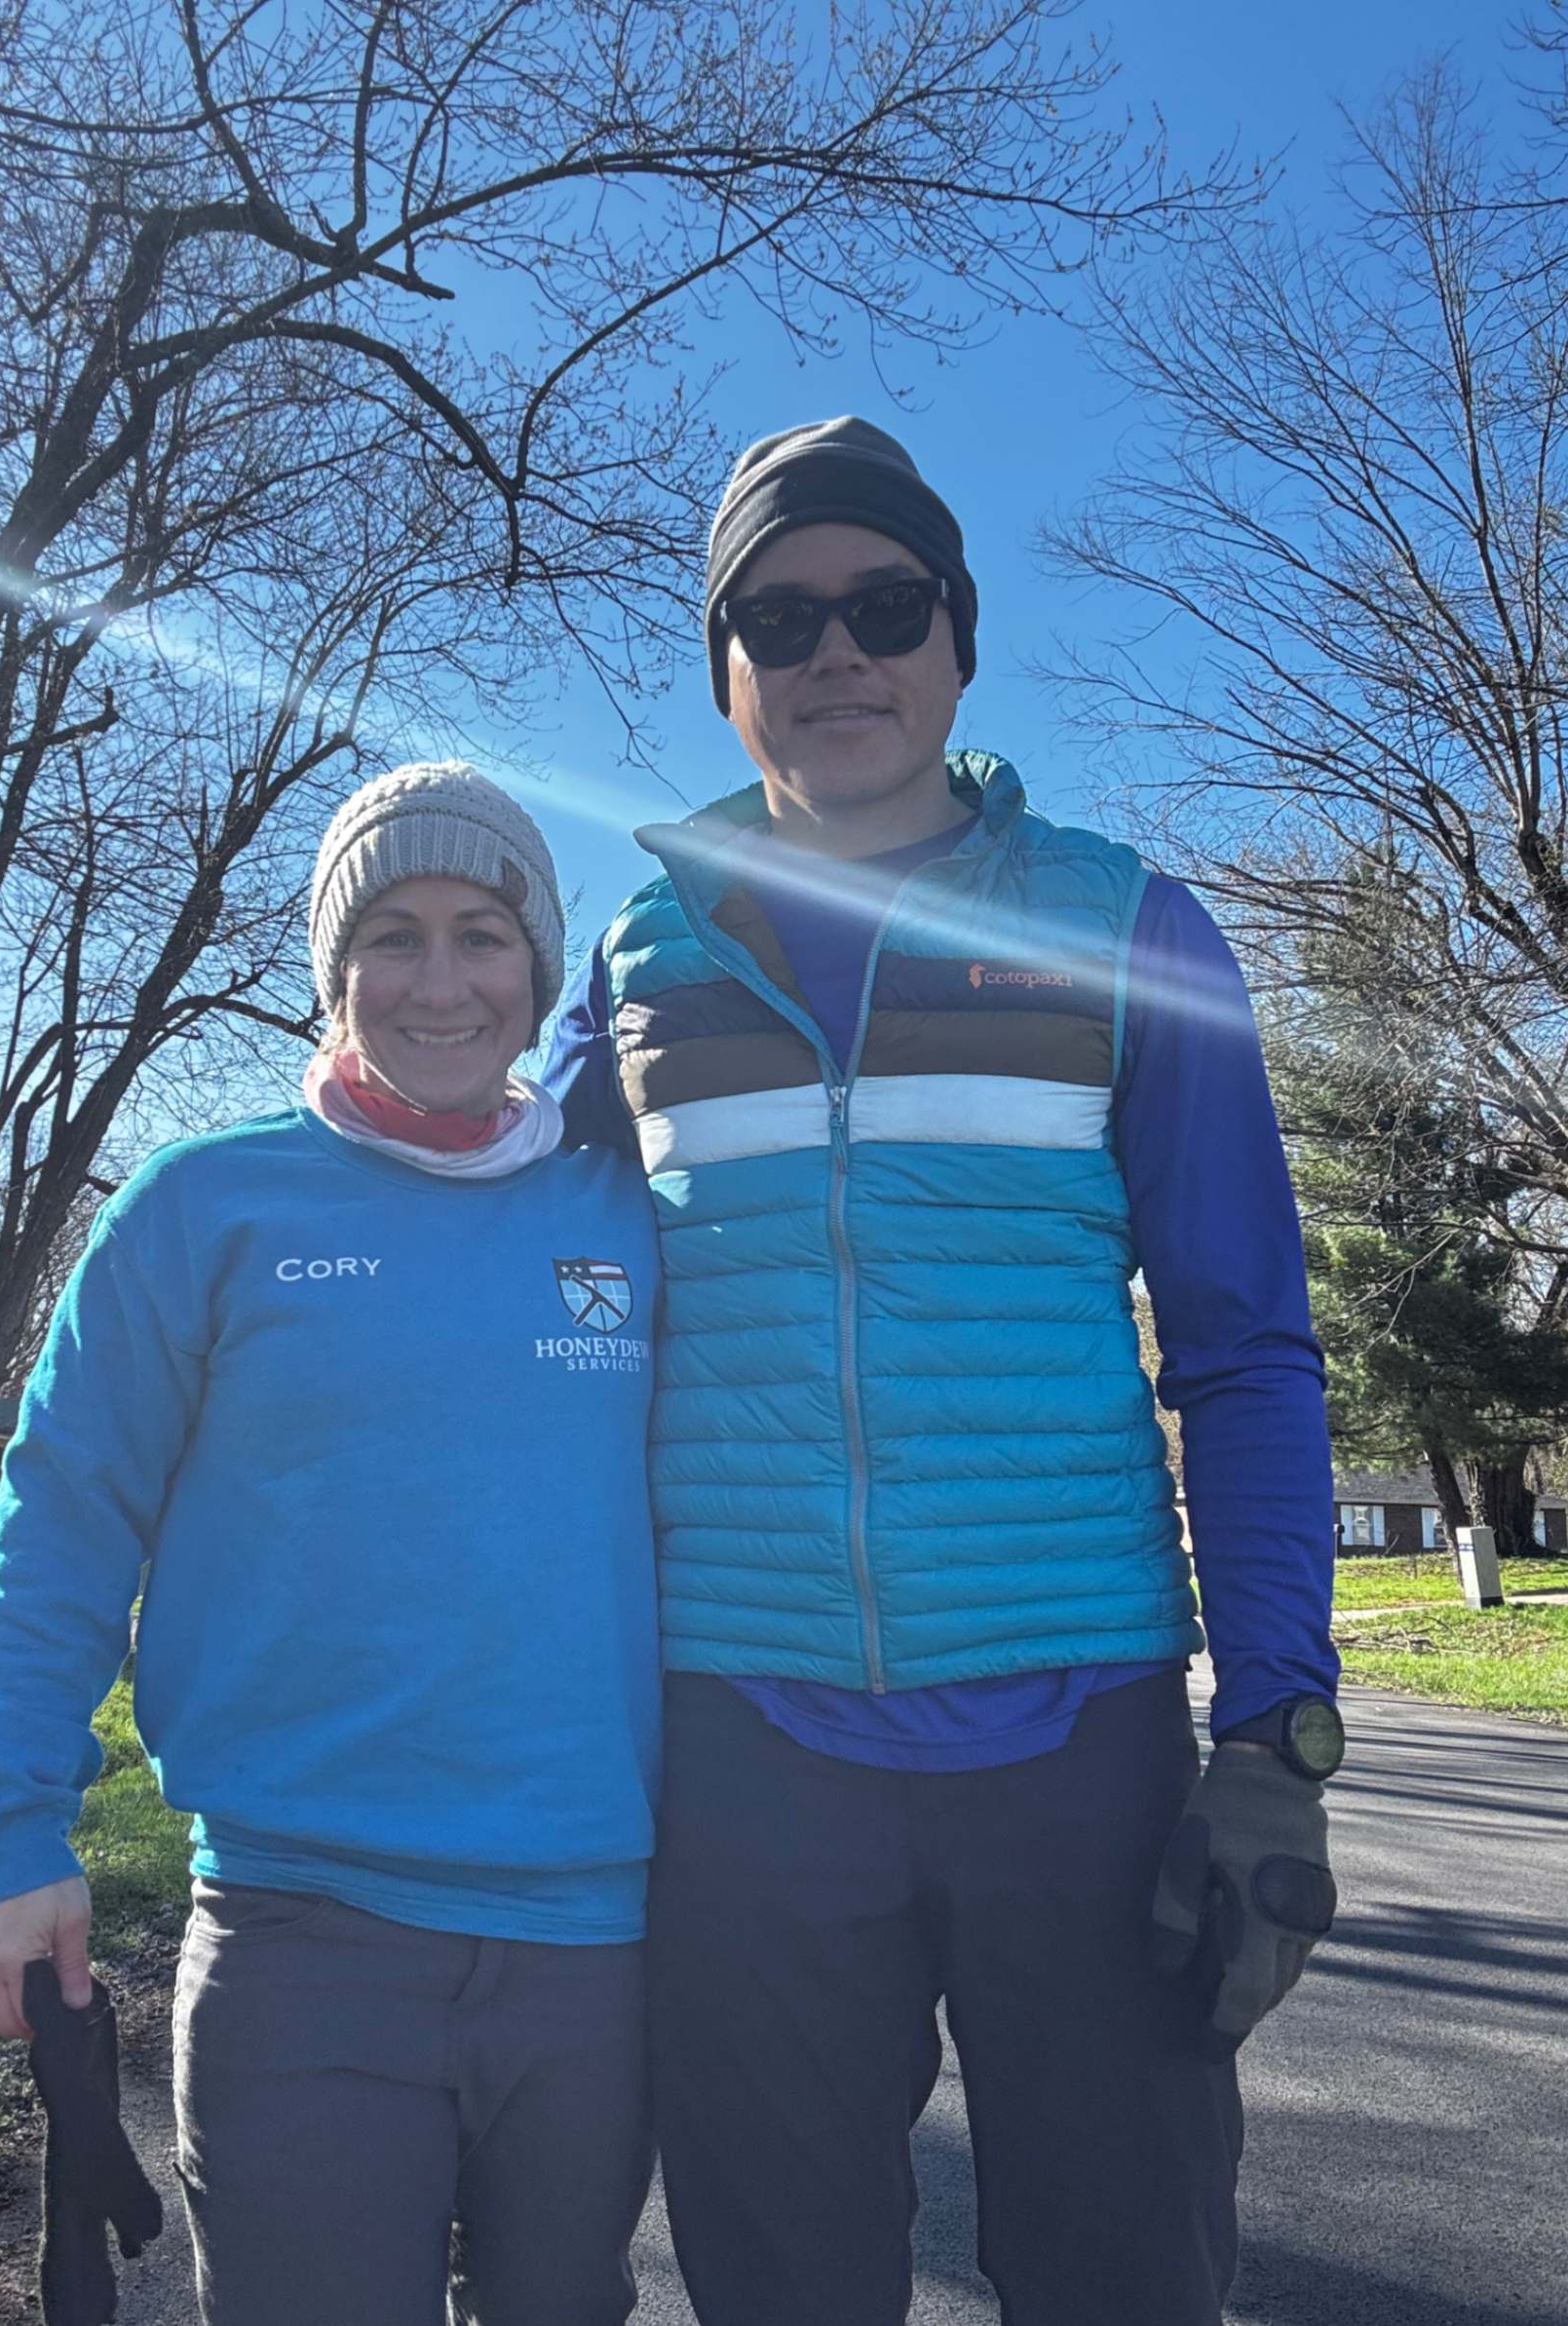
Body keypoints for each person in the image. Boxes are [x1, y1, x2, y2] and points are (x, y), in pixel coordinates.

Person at [548, 418, 1344, 2326]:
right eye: (778, 615)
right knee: (779, 2289)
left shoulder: (1127, 926)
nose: (836, 654)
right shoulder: (630, 961)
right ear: (726, 667)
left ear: (956, 640)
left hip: (1078, 1749)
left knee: (1123, 2279)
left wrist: (1276, 1740)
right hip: (742, 1753)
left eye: (883, 605)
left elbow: (1244, 1354)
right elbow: (538, 1339)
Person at [0, 763, 663, 2326]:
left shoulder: (633, 1213)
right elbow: (61, 1521)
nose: (441, 982)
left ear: (539, 964)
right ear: (332, 975)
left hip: (596, 1939)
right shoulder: (204, 1208)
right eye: (391, 937)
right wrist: (14, 1834)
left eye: (482, 933)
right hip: (301, 1933)